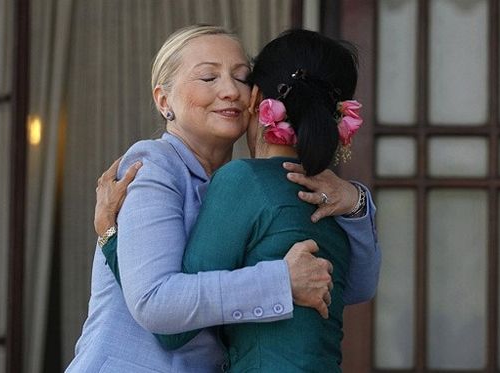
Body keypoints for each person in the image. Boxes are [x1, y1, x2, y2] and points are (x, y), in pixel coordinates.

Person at [67, 25, 379, 373]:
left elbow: (346, 286)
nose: (230, 91)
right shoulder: (154, 166)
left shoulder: (257, 183)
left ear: (258, 97)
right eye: (208, 78)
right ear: (163, 100)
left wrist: (355, 202)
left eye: (241, 77)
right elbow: (154, 301)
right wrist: (280, 282)